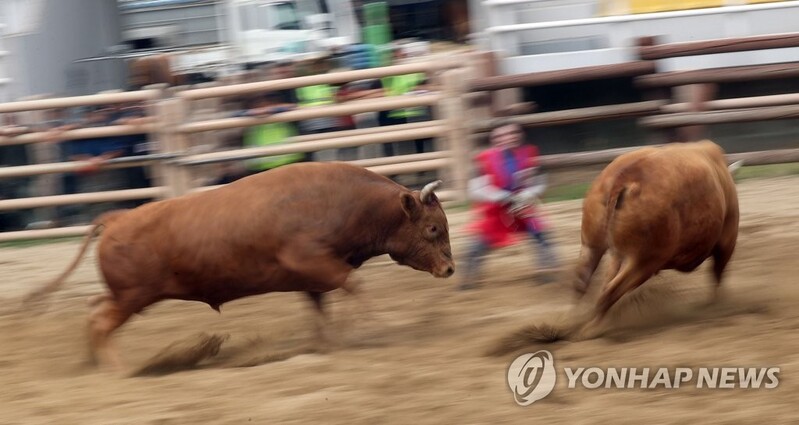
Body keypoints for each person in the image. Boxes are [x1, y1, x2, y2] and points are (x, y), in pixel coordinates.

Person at [459, 120, 560, 290]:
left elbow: (539, 183)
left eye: (512, 133)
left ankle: (549, 271)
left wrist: (526, 195)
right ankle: (468, 280)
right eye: (502, 135)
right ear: (494, 139)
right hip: (496, 210)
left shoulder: (529, 154)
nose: (508, 138)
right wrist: (503, 197)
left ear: (520, 135)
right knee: (477, 245)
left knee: (541, 235)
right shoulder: (483, 160)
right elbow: (475, 189)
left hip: (522, 207)